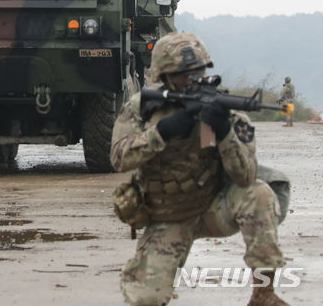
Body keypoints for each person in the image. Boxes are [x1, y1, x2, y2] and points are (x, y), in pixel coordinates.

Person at [111, 32, 289, 306]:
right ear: (165, 76)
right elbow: (119, 158)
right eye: (183, 73)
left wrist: (224, 131)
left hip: (213, 208)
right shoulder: (143, 108)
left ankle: (263, 294)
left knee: (260, 194)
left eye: (199, 71)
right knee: (146, 298)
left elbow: (245, 176)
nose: (193, 79)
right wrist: (162, 132)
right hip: (168, 216)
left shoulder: (225, 112)